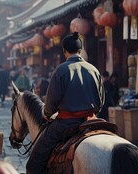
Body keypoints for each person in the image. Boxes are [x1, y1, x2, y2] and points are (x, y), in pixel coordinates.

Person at [26, 32, 105, 174]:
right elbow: (100, 102)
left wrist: (46, 114)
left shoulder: (61, 70)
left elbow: (50, 105)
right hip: (91, 121)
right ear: (80, 51)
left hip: (66, 123)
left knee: (36, 159)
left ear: (64, 51)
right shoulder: (94, 70)